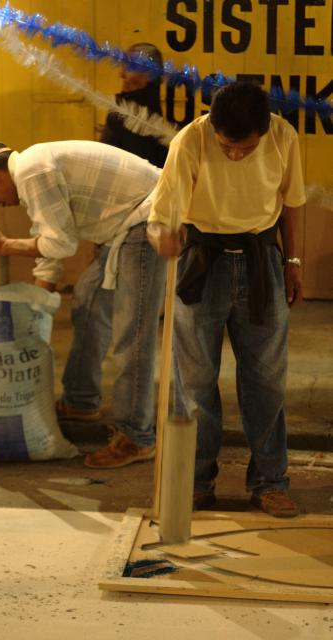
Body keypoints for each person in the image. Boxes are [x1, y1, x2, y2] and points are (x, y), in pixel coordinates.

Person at [147, 81, 306, 517]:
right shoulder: (190, 139)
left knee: (267, 379)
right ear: (213, 128)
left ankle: (270, 481)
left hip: (261, 259)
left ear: (263, 129)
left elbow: (291, 201)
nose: (234, 155)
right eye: (227, 147)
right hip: (203, 260)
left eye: (245, 149)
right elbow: (161, 216)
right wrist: (160, 235)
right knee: (194, 381)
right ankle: (196, 481)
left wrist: (292, 260)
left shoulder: (282, 136)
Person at [0, 139, 166, 468]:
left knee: (133, 332)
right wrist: (33, 312)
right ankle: (81, 401)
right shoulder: (33, 167)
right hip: (128, 227)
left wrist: (4, 246)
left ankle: (137, 437)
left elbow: (59, 244)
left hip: (150, 219)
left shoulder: (32, 171)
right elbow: (50, 249)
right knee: (87, 299)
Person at [57, 43, 169, 423]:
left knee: (127, 328)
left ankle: (129, 426)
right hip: (126, 226)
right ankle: (83, 399)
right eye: (123, 67)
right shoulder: (142, 114)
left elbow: (113, 166)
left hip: (135, 227)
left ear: (151, 75)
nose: (123, 74)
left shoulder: (132, 115)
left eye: (132, 69)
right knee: (93, 304)